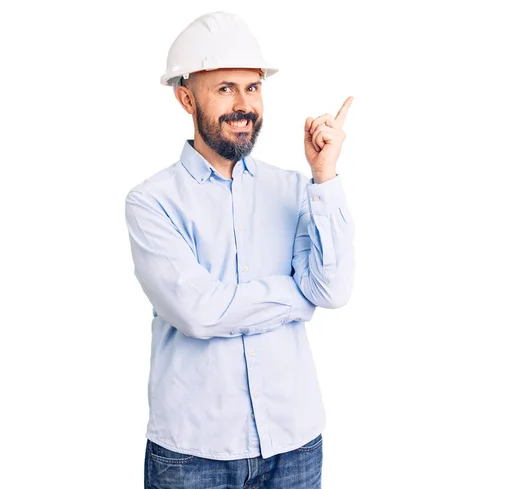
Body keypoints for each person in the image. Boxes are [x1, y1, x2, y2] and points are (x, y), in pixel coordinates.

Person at [124, 10, 355, 489]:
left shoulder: (296, 188)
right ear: (186, 98)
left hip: (294, 443)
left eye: (252, 87)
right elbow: (199, 313)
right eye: (225, 88)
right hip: (193, 455)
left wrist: (325, 176)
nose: (243, 104)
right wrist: (294, 296)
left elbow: (331, 289)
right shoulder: (151, 203)